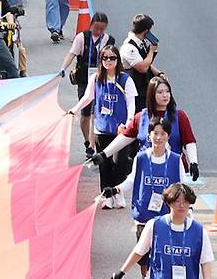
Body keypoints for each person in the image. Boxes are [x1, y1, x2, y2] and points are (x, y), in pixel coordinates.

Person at [101, 117, 184, 279]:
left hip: (166, 219)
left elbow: (182, 187)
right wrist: (115, 189)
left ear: (168, 136)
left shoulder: (175, 160)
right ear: (149, 135)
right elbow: (131, 180)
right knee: (144, 258)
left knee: (162, 256)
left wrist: (186, 215)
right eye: (155, 133)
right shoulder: (141, 158)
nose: (159, 137)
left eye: (163, 134)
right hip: (144, 217)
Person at [89, 75, 199, 179]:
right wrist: (103, 154)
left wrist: (193, 162)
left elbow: (189, 141)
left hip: (173, 171)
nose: (165, 95)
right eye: (160, 92)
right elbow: (124, 138)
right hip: (147, 171)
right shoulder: (141, 117)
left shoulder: (179, 116)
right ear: (152, 95)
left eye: (167, 91)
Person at [68, 45, 137, 207]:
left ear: (117, 60)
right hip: (102, 128)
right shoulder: (96, 79)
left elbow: (131, 104)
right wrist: (75, 109)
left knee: (120, 164)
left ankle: (117, 193)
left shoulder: (125, 79)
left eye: (112, 58)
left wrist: (128, 123)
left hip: (121, 130)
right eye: (105, 58)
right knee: (104, 165)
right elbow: (87, 98)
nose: (108, 61)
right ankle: (106, 197)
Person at [60, 12, 114, 158]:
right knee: (86, 113)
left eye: (102, 29)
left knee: (98, 113)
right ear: (91, 25)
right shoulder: (82, 37)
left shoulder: (109, 40)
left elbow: (113, 60)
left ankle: (94, 145)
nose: (99, 32)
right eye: (96, 28)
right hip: (85, 79)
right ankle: (87, 142)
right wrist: (63, 68)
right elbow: (72, 54)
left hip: (103, 80)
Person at [119, 14, 161, 112]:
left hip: (144, 86)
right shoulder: (129, 47)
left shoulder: (141, 43)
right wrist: (151, 51)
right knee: (138, 115)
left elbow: (147, 63)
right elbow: (142, 67)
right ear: (146, 31)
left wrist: (158, 73)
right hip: (134, 87)